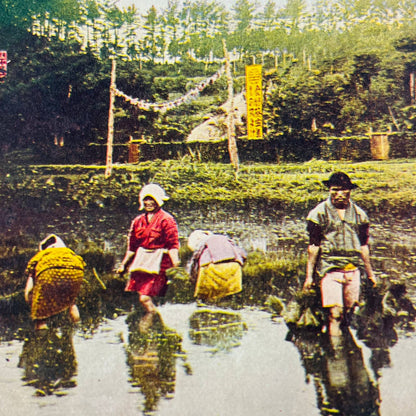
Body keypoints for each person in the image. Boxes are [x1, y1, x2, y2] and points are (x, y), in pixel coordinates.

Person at [303, 172, 377, 337]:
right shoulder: (318, 214)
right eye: (335, 190)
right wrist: (309, 277)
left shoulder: (359, 215)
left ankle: (347, 349)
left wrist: (371, 274)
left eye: (344, 190)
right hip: (330, 269)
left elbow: (364, 246)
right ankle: (336, 354)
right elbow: (313, 247)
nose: (339, 194)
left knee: (349, 313)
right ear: (329, 190)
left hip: (352, 269)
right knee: (335, 314)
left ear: (350, 191)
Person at [117, 184, 180, 317]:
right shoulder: (137, 221)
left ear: (159, 201)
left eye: (152, 199)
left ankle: (154, 322)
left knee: (144, 298)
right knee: (139, 299)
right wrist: (123, 265)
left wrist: (176, 269)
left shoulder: (167, 220)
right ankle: (149, 324)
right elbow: (132, 248)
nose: (149, 203)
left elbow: (172, 246)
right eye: (146, 199)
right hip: (141, 263)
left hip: (159, 263)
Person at [24, 234, 85, 330]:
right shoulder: (68, 252)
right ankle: (78, 327)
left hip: (49, 273)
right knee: (72, 303)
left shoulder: (41, 256)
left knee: (40, 315)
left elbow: (29, 288)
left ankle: (42, 335)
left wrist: (31, 300)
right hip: (75, 270)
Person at [187, 230, 246, 301]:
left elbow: (195, 260)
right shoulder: (226, 239)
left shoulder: (203, 243)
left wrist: (192, 278)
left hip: (211, 267)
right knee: (229, 295)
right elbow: (243, 254)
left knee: (207, 297)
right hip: (234, 266)